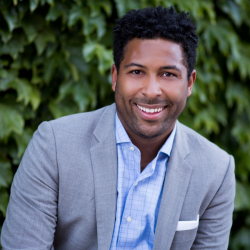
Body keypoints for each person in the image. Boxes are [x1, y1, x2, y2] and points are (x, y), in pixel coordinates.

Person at [1, 6, 235, 250]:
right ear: (115, 77)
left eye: (167, 74)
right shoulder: (54, 146)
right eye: (136, 72)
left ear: (189, 83)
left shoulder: (217, 171)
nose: (152, 90)